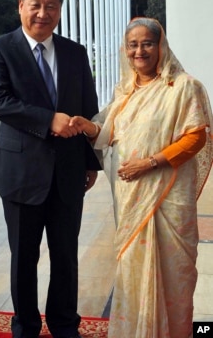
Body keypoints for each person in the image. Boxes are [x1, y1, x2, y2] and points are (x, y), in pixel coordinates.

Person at [70, 17, 213, 338]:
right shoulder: (125, 92)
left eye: (147, 43)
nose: (140, 51)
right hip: (132, 198)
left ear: (161, 46)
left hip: (169, 197)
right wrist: (87, 126)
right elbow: (111, 136)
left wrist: (149, 163)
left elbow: (196, 137)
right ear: (125, 49)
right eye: (133, 44)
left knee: (174, 272)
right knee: (134, 269)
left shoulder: (183, 86)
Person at [0, 0, 101, 338]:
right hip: (20, 174)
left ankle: (65, 324)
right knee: (24, 259)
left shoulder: (75, 53)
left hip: (67, 173)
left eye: (51, 6)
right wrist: (49, 119)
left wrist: (90, 162)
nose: (42, 13)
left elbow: (88, 109)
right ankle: (26, 327)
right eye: (35, 5)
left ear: (60, 11)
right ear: (21, 6)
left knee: (65, 256)